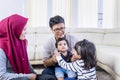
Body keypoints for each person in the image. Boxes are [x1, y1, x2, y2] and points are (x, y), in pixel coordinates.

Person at [0, 14, 36, 80]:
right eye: (24, 29)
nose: (26, 32)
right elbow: (2, 75)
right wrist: (28, 76)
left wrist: (36, 75)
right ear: (15, 29)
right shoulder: (1, 48)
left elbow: (27, 63)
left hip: (20, 76)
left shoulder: (22, 42)